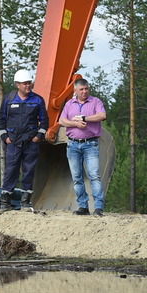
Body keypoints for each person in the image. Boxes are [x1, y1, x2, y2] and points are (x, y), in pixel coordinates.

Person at [0, 69, 48, 212]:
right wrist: (5, 138)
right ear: (17, 84)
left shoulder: (37, 100)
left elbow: (44, 122)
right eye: (25, 83)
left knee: (29, 170)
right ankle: (5, 202)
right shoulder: (8, 100)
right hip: (13, 142)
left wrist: (38, 137)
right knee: (10, 170)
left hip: (31, 142)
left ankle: (25, 203)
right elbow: (1, 121)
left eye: (30, 83)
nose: (28, 86)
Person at [59, 77, 107, 217]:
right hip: (73, 144)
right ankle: (83, 206)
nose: (84, 92)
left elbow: (102, 115)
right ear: (75, 91)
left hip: (90, 144)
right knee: (77, 177)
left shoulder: (95, 102)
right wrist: (76, 124)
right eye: (81, 89)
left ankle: (98, 207)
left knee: (94, 175)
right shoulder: (69, 104)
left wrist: (84, 118)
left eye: (86, 89)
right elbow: (62, 120)